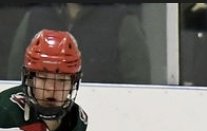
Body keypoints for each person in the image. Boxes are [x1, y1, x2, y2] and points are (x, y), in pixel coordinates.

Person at [6, 3, 149, 84]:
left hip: (106, 118)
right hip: (41, 120)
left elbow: (138, 85)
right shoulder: (35, 17)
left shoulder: (122, 20)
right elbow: (14, 76)